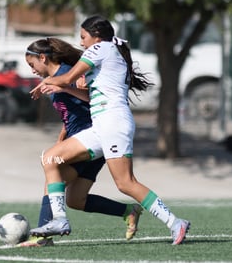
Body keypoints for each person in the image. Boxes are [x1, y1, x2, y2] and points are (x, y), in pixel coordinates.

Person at [29, 16, 190, 245]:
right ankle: (60, 220)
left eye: (84, 37)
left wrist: (53, 82)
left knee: (126, 183)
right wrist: (63, 83)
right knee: (50, 159)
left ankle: (176, 222)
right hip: (101, 126)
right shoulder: (107, 51)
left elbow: (67, 77)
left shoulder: (102, 48)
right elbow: (83, 88)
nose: (82, 43)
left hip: (114, 124)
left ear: (96, 36)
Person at [19, 37, 143, 247]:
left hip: (91, 140)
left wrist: (64, 86)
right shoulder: (55, 79)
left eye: (32, 65)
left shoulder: (69, 73)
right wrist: (62, 137)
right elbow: (72, 115)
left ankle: (42, 238)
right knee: (75, 200)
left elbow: (91, 97)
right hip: (85, 141)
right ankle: (128, 212)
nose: (32, 70)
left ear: (43, 57)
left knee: (52, 179)